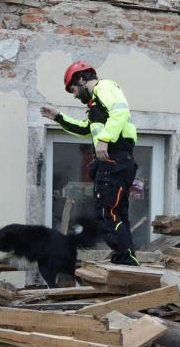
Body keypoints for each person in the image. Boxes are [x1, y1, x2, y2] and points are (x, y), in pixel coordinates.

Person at [41, 61, 140, 266]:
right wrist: (58, 117)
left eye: (74, 90)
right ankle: (125, 255)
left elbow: (120, 111)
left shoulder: (105, 87)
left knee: (106, 211)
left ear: (82, 79)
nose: (75, 95)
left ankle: (126, 257)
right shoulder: (96, 105)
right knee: (116, 211)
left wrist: (105, 139)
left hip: (113, 159)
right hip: (117, 160)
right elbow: (85, 129)